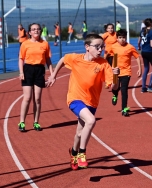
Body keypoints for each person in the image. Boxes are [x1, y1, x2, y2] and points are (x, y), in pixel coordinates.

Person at [46, 34, 120, 170]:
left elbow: (114, 87)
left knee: (80, 132)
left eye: (102, 47)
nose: (100, 50)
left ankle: (73, 152)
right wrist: (53, 76)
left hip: (91, 102)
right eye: (97, 47)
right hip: (74, 99)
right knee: (91, 121)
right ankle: (82, 154)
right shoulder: (76, 59)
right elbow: (63, 59)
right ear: (87, 47)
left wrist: (116, 77)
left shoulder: (104, 64)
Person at [18, 23, 53, 132]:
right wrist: (21, 72)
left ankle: (36, 122)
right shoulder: (25, 44)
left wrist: (52, 73)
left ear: (41, 31)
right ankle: (22, 122)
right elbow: (21, 59)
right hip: (28, 70)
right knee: (27, 97)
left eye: (38, 29)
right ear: (29, 32)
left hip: (39, 70)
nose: (36, 31)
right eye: (33, 29)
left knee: (37, 99)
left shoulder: (45, 44)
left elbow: (48, 60)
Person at [109, 29, 142, 116]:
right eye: (120, 37)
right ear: (117, 38)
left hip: (126, 72)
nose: (122, 39)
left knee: (124, 90)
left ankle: (124, 109)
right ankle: (115, 95)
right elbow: (108, 56)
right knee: (115, 87)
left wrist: (140, 69)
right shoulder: (113, 47)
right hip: (115, 71)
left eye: (124, 37)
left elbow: (137, 57)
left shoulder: (130, 47)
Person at [137, 18, 152, 93]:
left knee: (146, 68)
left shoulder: (142, 31)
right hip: (149, 52)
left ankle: (143, 87)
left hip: (143, 52)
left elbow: (138, 42)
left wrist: (139, 47)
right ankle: (150, 86)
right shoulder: (151, 32)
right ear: (151, 24)